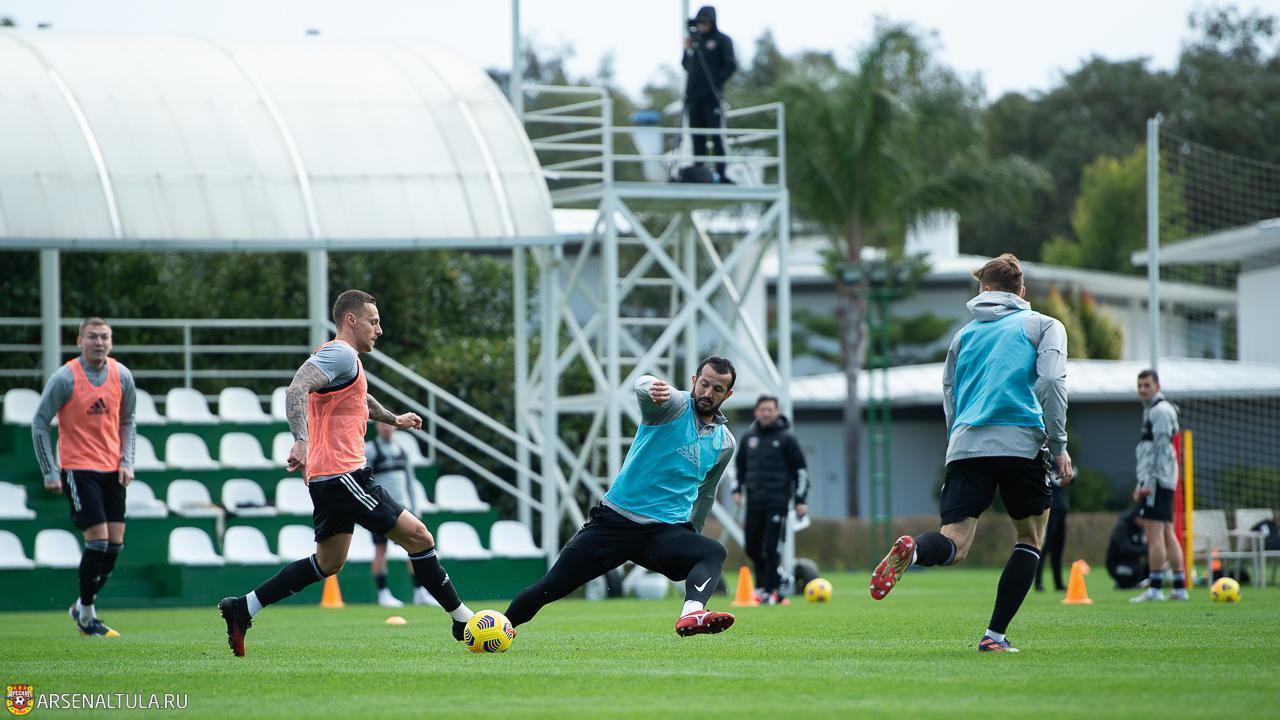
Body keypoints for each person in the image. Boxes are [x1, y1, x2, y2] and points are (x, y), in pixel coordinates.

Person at [218, 290, 473, 656]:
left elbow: (360, 399)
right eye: (374, 322)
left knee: (328, 562)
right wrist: (300, 440)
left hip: (326, 477)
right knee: (420, 538)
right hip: (344, 474)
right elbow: (296, 388)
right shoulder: (341, 353)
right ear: (351, 320)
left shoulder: (342, 359)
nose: (379, 330)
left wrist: (394, 419)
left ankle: (243, 607)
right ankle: (464, 620)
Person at [868, 253, 1072, 653]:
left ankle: (914, 553)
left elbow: (950, 393)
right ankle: (994, 636)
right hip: (1019, 442)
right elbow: (1051, 382)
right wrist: (1059, 445)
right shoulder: (1044, 325)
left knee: (955, 544)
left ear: (985, 290)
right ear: (1022, 291)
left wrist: (957, 442)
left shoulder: (963, 336)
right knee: (1030, 538)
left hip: (966, 444)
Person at [504, 357, 739, 637]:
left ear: (727, 395)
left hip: (664, 532)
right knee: (549, 587)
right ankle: (496, 627)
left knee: (713, 551)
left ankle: (691, 613)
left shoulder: (725, 443)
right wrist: (651, 387)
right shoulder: (673, 405)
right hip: (615, 522)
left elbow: (706, 494)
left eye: (717, 389)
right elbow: (642, 386)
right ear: (694, 381)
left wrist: (692, 536)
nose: (708, 393)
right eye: (704, 384)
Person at [31, 317, 137, 638]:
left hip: (112, 470)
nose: (99, 342)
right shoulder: (65, 378)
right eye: (92, 336)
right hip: (78, 468)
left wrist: (127, 461)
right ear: (79, 342)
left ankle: (80, 606)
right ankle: (87, 615)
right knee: (98, 540)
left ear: (111, 341)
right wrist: (50, 470)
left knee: (114, 544)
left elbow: (128, 420)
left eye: (104, 336)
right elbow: (40, 422)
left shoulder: (121, 375)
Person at [732, 394, 808, 604]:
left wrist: (800, 499)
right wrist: (737, 489)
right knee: (751, 546)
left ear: (777, 412)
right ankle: (776, 576)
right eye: (762, 409)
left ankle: (769, 589)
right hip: (754, 501)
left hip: (777, 501)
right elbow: (739, 466)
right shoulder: (749, 437)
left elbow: (800, 470)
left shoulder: (787, 438)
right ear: (756, 412)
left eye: (770, 410)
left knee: (771, 546)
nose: (766, 413)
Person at [1130, 369, 1187, 602]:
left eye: (1147, 385)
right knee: (1166, 532)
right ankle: (1179, 587)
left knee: (1154, 534)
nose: (1142, 389)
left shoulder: (1160, 411)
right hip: (1163, 481)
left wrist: (1147, 483)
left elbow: (1162, 450)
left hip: (1157, 483)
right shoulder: (1153, 410)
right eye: (1140, 385)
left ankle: (1155, 588)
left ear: (1157, 386)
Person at [365, 424, 432, 608]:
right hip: (380, 508)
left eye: (389, 424)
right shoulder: (371, 450)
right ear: (378, 427)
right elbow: (365, 480)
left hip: (403, 508)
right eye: (382, 424)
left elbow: (410, 481)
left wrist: (415, 509)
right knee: (380, 549)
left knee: (414, 547)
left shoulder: (402, 450)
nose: (386, 428)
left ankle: (420, 591)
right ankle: (383, 593)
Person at [682, 5, 736, 182]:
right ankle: (699, 173)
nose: (701, 25)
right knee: (697, 136)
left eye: (704, 22)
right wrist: (686, 50)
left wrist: (716, 81)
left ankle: (722, 173)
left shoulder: (722, 40)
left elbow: (730, 65)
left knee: (716, 136)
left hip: (712, 98)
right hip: (693, 97)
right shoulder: (695, 42)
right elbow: (686, 66)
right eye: (699, 22)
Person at [1034, 479, 1068, 593]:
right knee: (1044, 547)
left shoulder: (1065, 468)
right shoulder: (1051, 467)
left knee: (1058, 549)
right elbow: (1053, 479)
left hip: (1062, 510)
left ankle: (1058, 583)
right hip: (1050, 510)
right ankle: (1038, 583)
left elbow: (1072, 477)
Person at [1106, 506, 1149, 589]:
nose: (1145, 521)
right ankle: (1124, 583)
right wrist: (1144, 550)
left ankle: (1139, 582)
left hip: (1134, 563)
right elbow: (1124, 549)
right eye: (1143, 519)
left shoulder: (1141, 530)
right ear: (1136, 518)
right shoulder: (1121, 528)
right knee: (1128, 571)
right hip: (1118, 564)